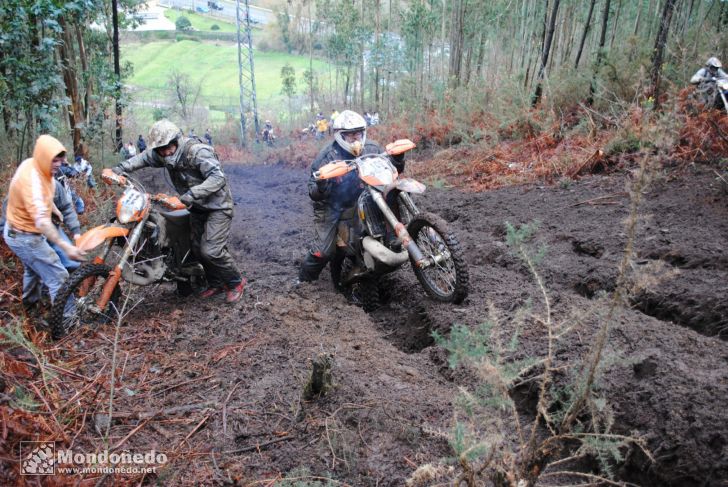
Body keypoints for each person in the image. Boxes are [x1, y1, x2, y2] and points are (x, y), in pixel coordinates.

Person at [112, 119, 246, 303]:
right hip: (197, 208)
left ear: (176, 140)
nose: (165, 153)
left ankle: (235, 282)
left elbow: (218, 178)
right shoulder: (161, 154)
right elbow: (142, 158)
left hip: (218, 207)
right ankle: (215, 283)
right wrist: (118, 170)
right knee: (197, 248)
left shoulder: (197, 152)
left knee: (211, 250)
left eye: (168, 147)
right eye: (160, 149)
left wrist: (189, 196)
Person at [298, 110, 404, 283]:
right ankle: (303, 282)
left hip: (365, 196)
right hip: (331, 205)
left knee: (392, 192)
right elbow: (313, 193)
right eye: (350, 136)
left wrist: (398, 160)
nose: (355, 139)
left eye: (358, 134)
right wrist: (322, 184)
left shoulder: (371, 148)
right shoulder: (326, 157)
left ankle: (394, 239)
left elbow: (389, 171)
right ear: (340, 136)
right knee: (323, 251)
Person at [3, 135, 85, 317]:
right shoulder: (31, 180)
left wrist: (53, 207)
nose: (57, 164)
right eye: (53, 160)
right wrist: (65, 246)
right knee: (59, 276)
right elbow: (41, 220)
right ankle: (67, 322)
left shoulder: (35, 166)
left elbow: (44, 196)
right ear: (43, 157)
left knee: (34, 272)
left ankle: (30, 311)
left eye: (60, 160)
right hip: (24, 236)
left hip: (21, 232)